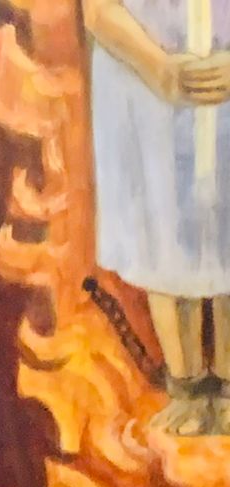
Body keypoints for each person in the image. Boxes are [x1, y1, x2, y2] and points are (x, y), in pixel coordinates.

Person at [86, 0, 230, 435]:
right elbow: (98, 9)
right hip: (146, 84)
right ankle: (186, 386)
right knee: (163, 223)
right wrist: (158, 66)